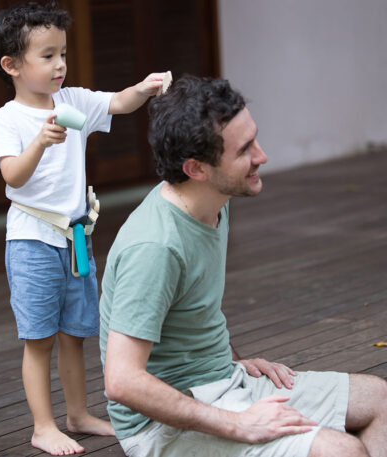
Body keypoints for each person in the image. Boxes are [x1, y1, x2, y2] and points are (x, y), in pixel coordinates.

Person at [99, 74, 387, 457]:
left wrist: (228, 359)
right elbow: (121, 381)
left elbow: (194, 312)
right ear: (196, 169)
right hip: (161, 427)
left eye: (255, 139)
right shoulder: (155, 246)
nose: (262, 156)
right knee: (340, 451)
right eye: (245, 150)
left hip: (220, 379)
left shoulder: (213, 199)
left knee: (380, 399)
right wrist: (240, 424)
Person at [0, 1, 167, 455]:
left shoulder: (72, 101)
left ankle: (77, 414)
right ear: (11, 65)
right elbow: (12, 177)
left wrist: (144, 88)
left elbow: (119, 102)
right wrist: (40, 143)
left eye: (63, 53)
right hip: (32, 241)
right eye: (47, 56)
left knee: (75, 334)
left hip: (76, 241)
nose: (60, 64)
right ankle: (42, 426)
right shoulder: (8, 119)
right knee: (39, 338)